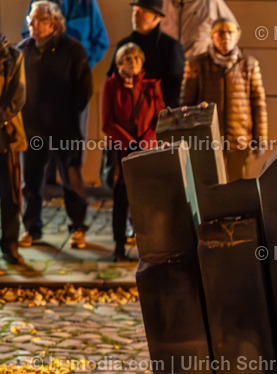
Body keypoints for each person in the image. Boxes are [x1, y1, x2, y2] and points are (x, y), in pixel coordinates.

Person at [18, 1, 93, 250]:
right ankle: (32, 228)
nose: (33, 25)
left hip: (65, 128)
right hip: (32, 130)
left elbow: (84, 88)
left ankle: (78, 227)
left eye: (39, 20)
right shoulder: (23, 50)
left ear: (53, 22)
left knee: (71, 179)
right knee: (31, 182)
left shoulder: (71, 49)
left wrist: (70, 115)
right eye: (31, 19)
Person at [180, 17, 267, 181]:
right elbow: (185, 105)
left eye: (230, 32)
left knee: (237, 187)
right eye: (220, 32)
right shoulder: (196, 64)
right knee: (210, 186)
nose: (225, 37)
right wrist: (187, 140)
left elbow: (258, 105)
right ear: (212, 37)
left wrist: (260, 139)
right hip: (207, 141)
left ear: (236, 37)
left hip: (240, 140)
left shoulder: (249, 65)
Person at [102, 42, 164, 261]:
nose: (134, 63)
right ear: (120, 63)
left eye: (137, 59)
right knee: (121, 201)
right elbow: (107, 122)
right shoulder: (111, 85)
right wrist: (129, 142)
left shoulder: (151, 85)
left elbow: (159, 118)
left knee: (146, 202)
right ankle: (119, 246)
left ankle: (147, 246)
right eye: (129, 59)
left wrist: (145, 142)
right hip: (122, 152)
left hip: (145, 152)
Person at [108, 0, 185, 108]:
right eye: (134, 10)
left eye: (142, 10)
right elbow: (111, 80)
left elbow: (176, 87)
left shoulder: (170, 46)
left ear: (156, 17)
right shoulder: (123, 45)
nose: (135, 13)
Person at [0, 33, 28, 268]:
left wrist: (1, 117)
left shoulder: (13, 56)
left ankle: (10, 244)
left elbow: (17, 96)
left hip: (6, 134)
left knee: (10, 193)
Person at [20, 0, 108, 68]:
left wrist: (83, 63)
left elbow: (101, 42)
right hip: (44, 72)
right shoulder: (38, 3)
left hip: (77, 75)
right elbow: (28, 34)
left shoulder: (86, 3)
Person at [161, 0, 236, 60]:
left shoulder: (210, 2)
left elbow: (233, 30)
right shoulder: (161, 3)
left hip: (201, 68)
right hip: (167, 68)